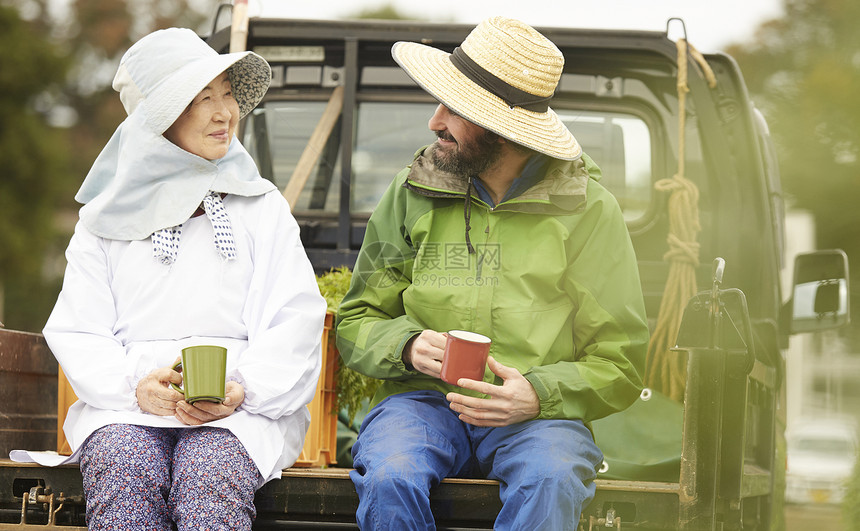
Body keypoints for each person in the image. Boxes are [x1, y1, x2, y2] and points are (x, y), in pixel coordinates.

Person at [335, 16, 649, 530]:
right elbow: (357, 320)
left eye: (454, 109)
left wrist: (537, 395)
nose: (435, 122)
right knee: (392, 475)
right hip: (421, 404)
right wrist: (408, 345)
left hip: (538, 419)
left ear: (503, 126)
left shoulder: (590, 209)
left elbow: (621, 361)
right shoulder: (409, 191)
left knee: (551, 479)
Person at [39, 28, 326, 529]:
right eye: (203, 99)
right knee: (124, 468)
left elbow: (294, 318)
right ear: (159, 120)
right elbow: (80, 330)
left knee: (209, 476)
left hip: (240, 409)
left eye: (228, 95)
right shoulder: (102, 222)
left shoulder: (262, 207)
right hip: (127, 408)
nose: (225, 113)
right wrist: (135, 388)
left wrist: (243, 389)